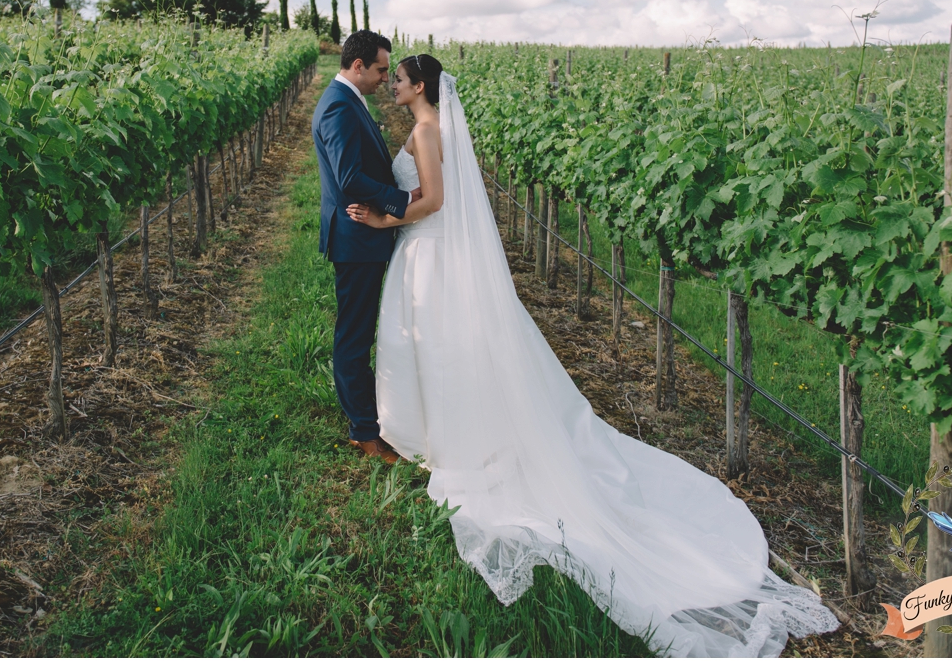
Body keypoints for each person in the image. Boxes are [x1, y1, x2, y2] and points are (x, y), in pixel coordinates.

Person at [344, 55, 839, 657]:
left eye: (398, 78)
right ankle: (451, 427)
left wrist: (381, 214)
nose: (391, 84)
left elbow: (434, 202)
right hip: (437, 253)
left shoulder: (425, 130)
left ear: (419, 86)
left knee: (442, 346)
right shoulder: (436, 128)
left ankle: (444, 434)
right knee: (451, 347)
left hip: (428, 245)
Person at [310, 30, 415, 463]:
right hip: (356, 240)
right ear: (357, 66)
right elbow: (349, 178)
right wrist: (405, 203)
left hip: (364, 238)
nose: (385, 79)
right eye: (380, 70)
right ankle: (363, 432)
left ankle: (370, 422)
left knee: (360, 328)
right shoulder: (337, 105)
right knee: (353, 336)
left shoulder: (349, 101)